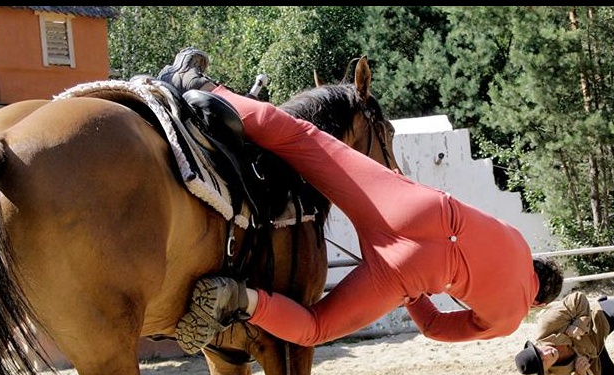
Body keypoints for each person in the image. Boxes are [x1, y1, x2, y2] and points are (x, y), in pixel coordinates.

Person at [160, 47, 564, 352]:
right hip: (408, 271)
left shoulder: (520, 243)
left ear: (537, 264)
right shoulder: (510, 320)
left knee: (303, 137)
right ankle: (241, 297)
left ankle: (198, 85)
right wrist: (412, 293)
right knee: (315, 328)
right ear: (537, 301)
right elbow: (435, 327)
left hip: (424, 209)